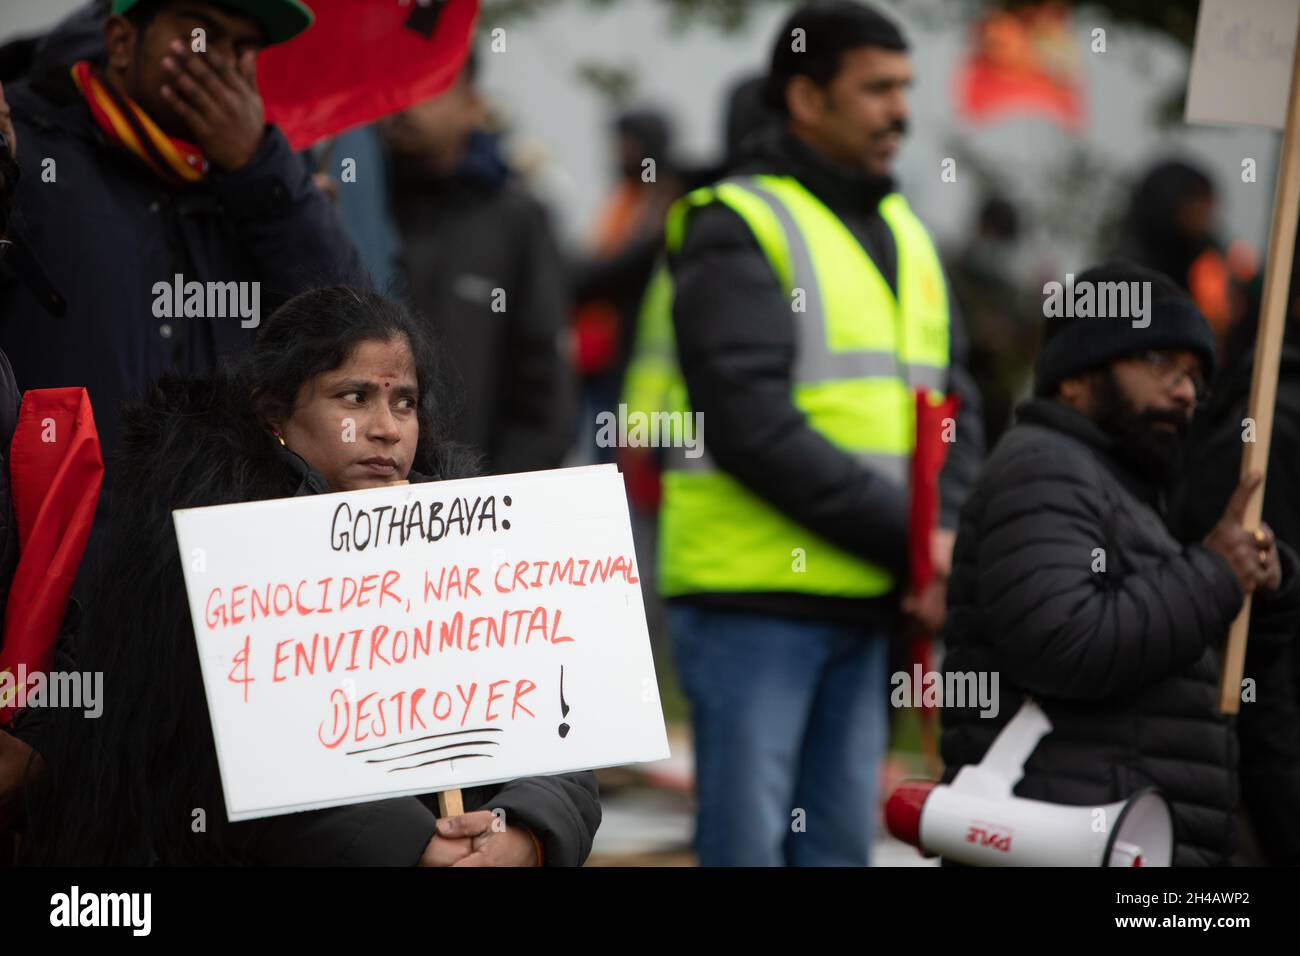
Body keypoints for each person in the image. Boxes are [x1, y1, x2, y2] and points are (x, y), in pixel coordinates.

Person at [22, 287, 601, 866]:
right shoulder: (210, 563)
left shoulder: (467, 550)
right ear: (275, 414)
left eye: (405, 403)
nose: (387, 429)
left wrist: (523, 835)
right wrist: (413, 847)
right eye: (354, 398)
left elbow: (556, 728)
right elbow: (215, 768)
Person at [659, 2, 983, 866]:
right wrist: (917, 541)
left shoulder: (905, 230)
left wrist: (939, 536)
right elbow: (751, 427)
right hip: (752, 599)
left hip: (869, 594)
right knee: (749, 849)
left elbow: (958, 401)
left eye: (906, 88)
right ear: (805, 97)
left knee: (837, 847)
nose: (900, 112)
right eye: (877, 89)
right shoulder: (734, 219)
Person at [940, 261, 1298, 867]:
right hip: (1062, 841)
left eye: (1195, 376)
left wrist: (1262, 592)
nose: (1186, 391)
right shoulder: (1043, 468)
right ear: (1075, 378)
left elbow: (1190, 670)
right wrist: (1213, 575)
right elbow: (1063, 641)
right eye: (1161, 365)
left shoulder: (1126, 492)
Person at [0, 0, 368, 470]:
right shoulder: (22, 151)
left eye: (244, 46)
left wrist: (263, 176)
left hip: (215, 537)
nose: (223, 62)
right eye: (202, 33)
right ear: (121, 43)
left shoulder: (264, 172)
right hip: (62, 535)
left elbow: (352, 333)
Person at [380, 52, 574, 475]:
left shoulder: (516, 221)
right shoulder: (344, 204)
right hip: (350, 509)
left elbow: (545, 390)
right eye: (396, 85)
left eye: (430, 87)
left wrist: (490, 499)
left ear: (473, 105)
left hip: (477, 511)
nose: (407, 104)